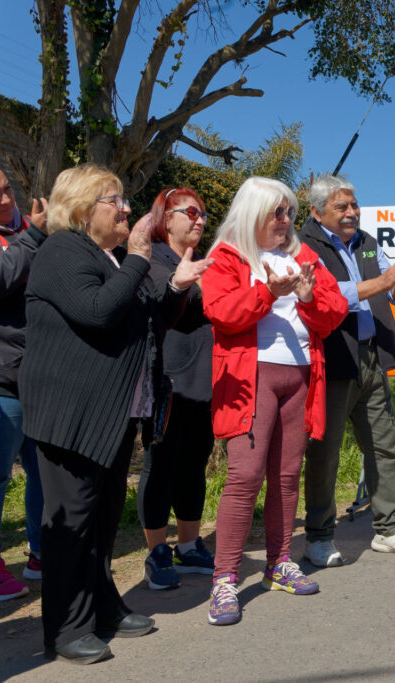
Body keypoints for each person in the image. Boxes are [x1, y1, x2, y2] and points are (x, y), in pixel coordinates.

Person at [19, 163, 209, 664]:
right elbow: (99, 311)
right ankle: (65, 628)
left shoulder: (114, 256)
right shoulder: (62, 250)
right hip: (72, 414)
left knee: (102, 521)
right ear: (84, 208)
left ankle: (104, 609)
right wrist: (141, 261)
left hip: (114, 414)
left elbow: (153, 318)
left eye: (125, 201)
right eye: (115, 200)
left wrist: (177, 287)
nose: (127, 209)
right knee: (73, 524)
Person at [201, 176, 347, 626]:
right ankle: (224, 579)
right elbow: (223, 314)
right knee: (244, 476)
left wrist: (306, 298)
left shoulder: (304, 256)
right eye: (277, 212)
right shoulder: (227, 256)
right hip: (252, 376)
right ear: (252, 214)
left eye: (288, 212)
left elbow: (334, 311)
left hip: (300, 374)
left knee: (286, 475)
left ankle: (278, 563)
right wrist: (270, 291)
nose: (286, 221)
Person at [300, 174, 395, 564]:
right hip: (334, 358)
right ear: (317, 211)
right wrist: (382, 282)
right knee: (325, 453)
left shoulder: (368, 243)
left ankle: (388, 529)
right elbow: (328, 294)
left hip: (373, 357)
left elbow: (390, 288)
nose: (352, 212)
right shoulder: (305, 245)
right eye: (342, 206)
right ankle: (319, 535)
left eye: (354, 205)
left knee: (383, 447)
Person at [137, 187, 217, 589]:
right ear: (166, 218)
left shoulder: (204, 262)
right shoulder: (152, 260)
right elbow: (161, 309)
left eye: (203, 214)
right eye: (190, 212)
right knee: (161, 467)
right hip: (167, 381)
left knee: (193, 467)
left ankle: (188, 546)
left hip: (204, 381)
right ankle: (156, 552)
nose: (199, 219)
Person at [0, 161, 47, 598]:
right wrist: (34, 238)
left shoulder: (32, 228)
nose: (5, 199)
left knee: (42, 470)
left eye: (7, 188)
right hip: (0, 376)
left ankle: (41, 552)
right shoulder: (32, 233)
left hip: (41, 373)